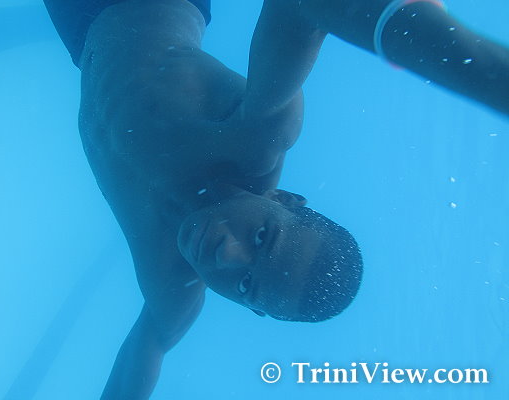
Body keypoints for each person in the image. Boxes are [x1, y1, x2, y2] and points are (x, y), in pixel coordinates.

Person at [41, 0, 508, 398]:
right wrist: (488, 74)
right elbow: (301, 6)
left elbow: (144, 357)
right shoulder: (254, 136)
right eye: (263, 237)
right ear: (283, 198)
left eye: (246, 286)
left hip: (75, 27)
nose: (226, 255)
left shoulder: (171, 283)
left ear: (251, 309)